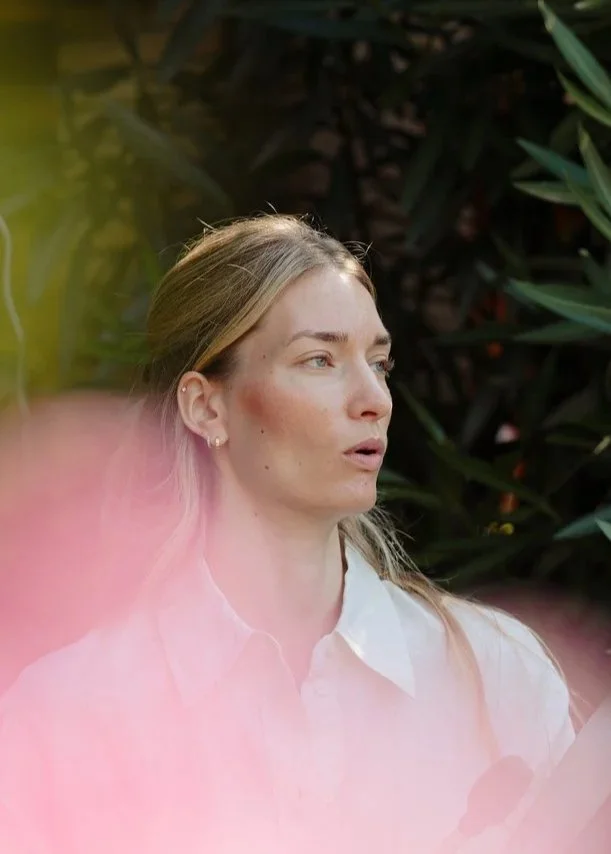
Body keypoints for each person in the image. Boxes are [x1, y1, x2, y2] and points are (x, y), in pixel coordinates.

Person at [0, 215, 574, 853]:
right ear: (206, 406)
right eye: (320, 359)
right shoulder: (65, 714)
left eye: (380, 363)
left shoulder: (498, 675)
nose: (374, 399)